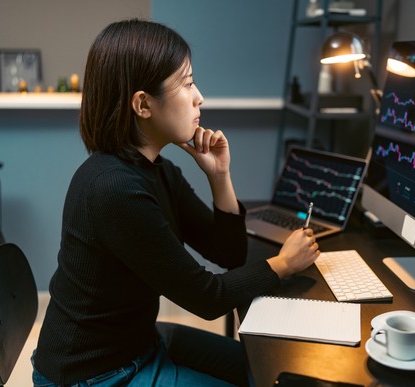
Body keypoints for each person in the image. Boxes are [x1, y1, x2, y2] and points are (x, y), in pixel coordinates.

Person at [31, 18, 320, 387]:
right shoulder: (114, 189)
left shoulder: (158, 170)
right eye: (186, 83)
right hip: (93, 374)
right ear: (143, 104)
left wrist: (219, 175)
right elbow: (207, 297)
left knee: (262, 370)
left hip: (136, 344)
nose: (199, 96)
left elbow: (228, 254)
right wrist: (283, 264)